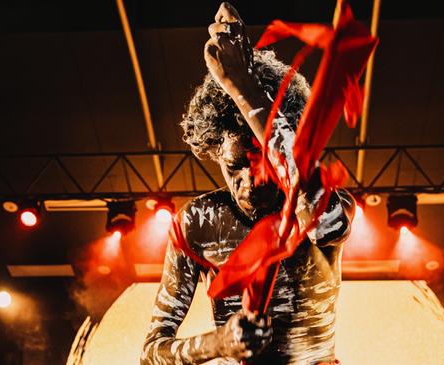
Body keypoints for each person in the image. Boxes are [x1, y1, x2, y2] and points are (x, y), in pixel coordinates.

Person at [141, 3, 354, 364]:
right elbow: (151, 353)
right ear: (214, 152)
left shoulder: (328, 202)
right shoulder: (197, 220)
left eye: (264, 161)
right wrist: (217, 343)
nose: (248, 182)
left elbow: (326, 223)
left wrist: (244, 87)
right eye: (234, 166)